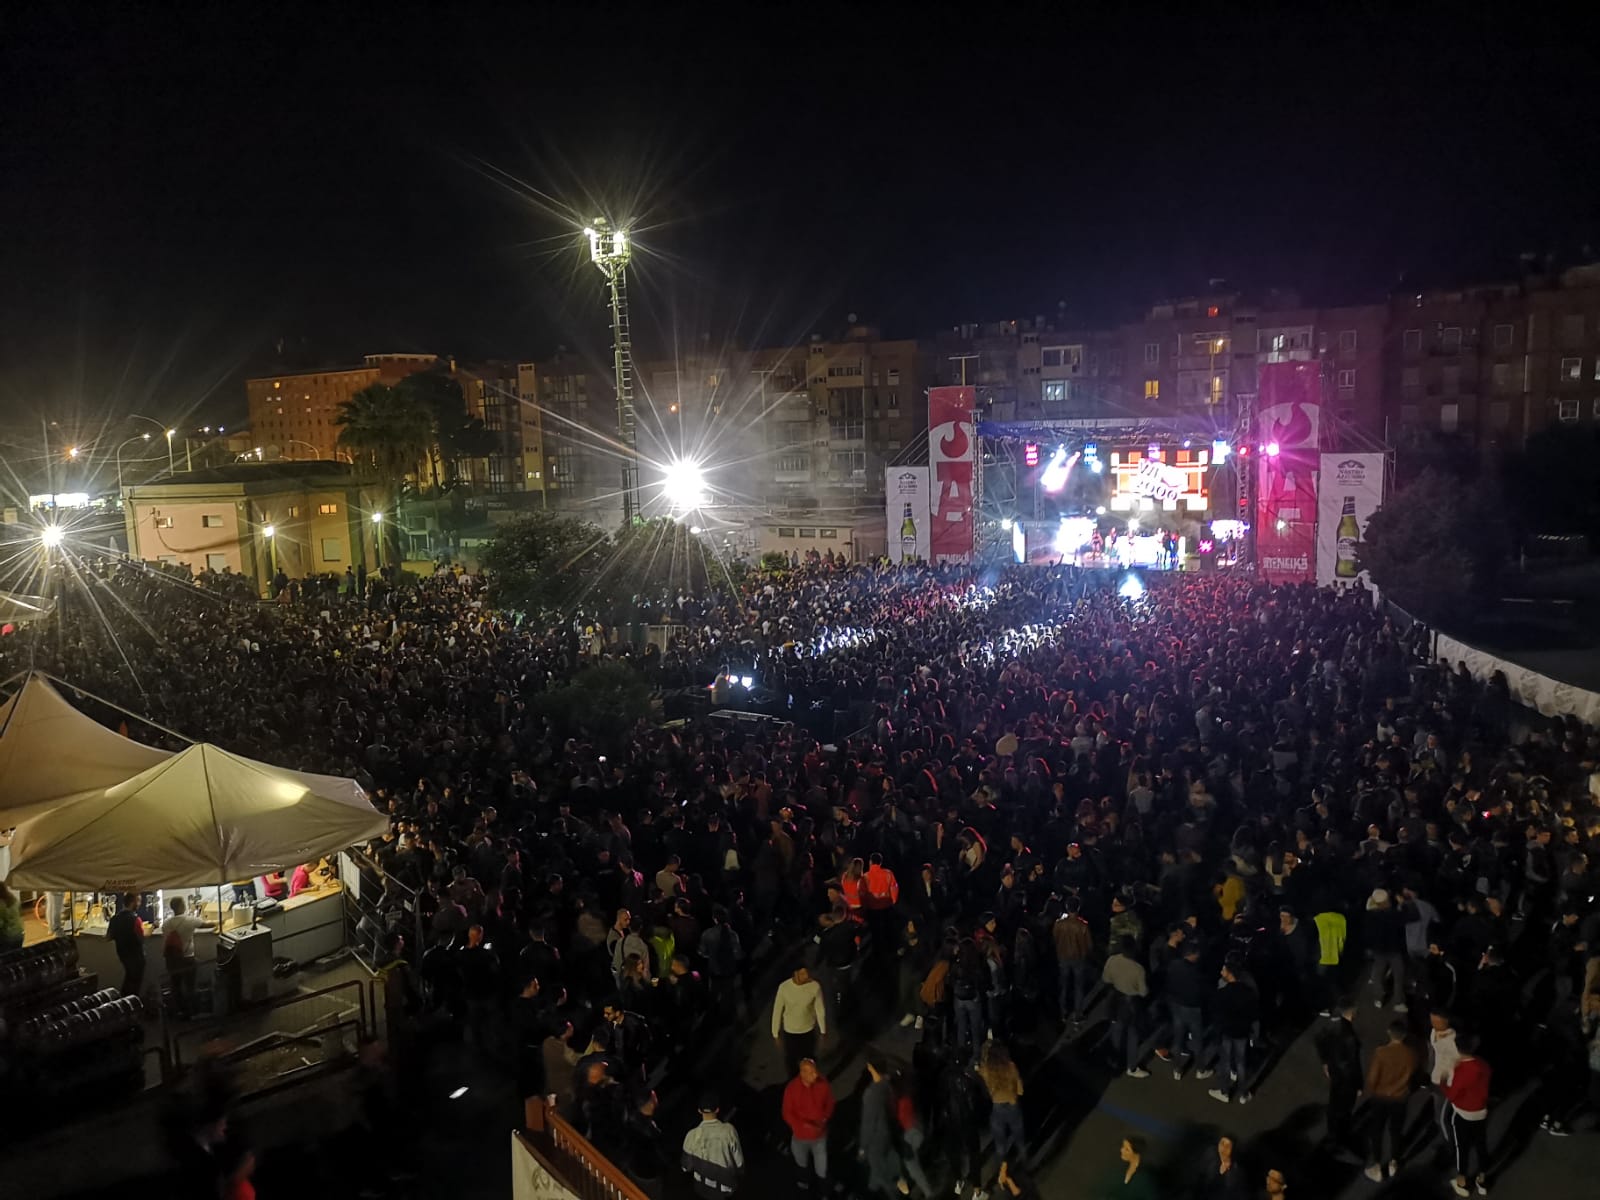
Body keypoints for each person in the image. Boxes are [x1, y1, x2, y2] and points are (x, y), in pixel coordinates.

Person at [1364, 1020, 1419, 1181]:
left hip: (1380, 1097)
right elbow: (1409, 1075)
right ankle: (1394, 1161)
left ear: (1389, 1032)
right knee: (1396, 1130)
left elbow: (1373, 1077)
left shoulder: (1381, 1052)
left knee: (1377, 1130)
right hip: (1400, 1097)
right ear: (1404, 1035)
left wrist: (1373, 1091)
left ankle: (1377, 1165)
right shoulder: (1411, 1054)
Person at [1442, 1033, 1491, 1197]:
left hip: (1463, 1114)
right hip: (1481, 1111)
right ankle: (1482, 1179)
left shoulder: (1462, 1071)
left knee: (1461, 1148)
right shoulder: (1483, 1064)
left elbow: (1452, 1095)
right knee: (1481, 1145)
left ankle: (1461, 1181)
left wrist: (1443, 1081)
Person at [1314, 1000, 1362, 1155]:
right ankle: (1339, 1138)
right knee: (1344, 1109)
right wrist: (1358, 1084)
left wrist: (1325, 1063)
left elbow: (1320, 1041)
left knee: (1334, 1105)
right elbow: (1353, 1063)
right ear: (1351, 1013)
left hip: (1335, 1074)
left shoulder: (1333, 1027)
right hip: (1346, 1079)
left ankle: (1332, 1135)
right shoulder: (1350, 1037)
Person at [781, 1057, 835, 1187]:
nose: (815, 1074)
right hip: (801, 1138)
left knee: (822, 1170)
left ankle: (823, 1192)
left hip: (819, 1137)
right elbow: (787, 1113)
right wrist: (803, 1126)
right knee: (801, 1164)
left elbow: (830, 1102)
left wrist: (825, 1117)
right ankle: (804, 1183)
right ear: (802, 1073)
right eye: (811, 1072)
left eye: (815, 1071)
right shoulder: (792, 1089)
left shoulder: (823, 1083)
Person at [1102, 935, 1150, 1078]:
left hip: (1116, 1001)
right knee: (1133, 1035)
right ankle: (1132, 1067)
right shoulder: (1138, 969)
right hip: (1131, 1004)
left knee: (1116, 1032)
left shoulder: (1112, 960)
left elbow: (1106, 979)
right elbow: (1143, 992)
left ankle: (1114, 1061)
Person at [857, 1055, 905, 1200]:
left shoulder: (871, 1093)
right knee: (885, 1164)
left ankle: (892, 1191)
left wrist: (863, 1148)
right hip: (888, 1131)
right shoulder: (887, 1084)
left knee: (881, 1172)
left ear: (871, 1068)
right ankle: (874, 1187)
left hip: (876, 1139)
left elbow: (868, 1123)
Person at [977, 1042, 1026, 1182]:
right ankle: (1024, 1164)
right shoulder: (1010, 1066)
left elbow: (981, 1077)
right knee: (1019, 1137)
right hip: (1012, 1105)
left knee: (1000, 1144)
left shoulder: (986, 1070)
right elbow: (1020, 1090)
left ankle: (1003, 1170)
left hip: (997, 1107)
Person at [682, 1092, 743, 1200]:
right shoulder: (729, 1131)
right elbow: (740, 1164)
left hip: (701, 1190)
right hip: (725, 1191)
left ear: (699, 1111)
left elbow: (686, 1167)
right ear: (717, 1109)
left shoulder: (691, 1135)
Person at [771, 964, 827, 1079]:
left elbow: (820, 1010)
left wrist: (823, 1032)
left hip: (808, 1031)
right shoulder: (784, 988)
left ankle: (810, 1082)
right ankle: (794, 1082)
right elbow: (777, 1011)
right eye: (802, 973)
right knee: (791, 1061)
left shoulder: (815, 986)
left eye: (807, 972)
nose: (806, 976)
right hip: (790, 1032)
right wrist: (775, 1033)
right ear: (795, 973)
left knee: (809, 1061)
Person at [162, 895, 210, 1018]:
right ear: (181, 906)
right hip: (187, 958)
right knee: (190, 986)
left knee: (175, 985)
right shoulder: (190, 920)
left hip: (171, 959)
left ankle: (179, 1011)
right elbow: (206, 925)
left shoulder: (165, 924)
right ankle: (191, 1012)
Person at [106, 891, 147, 999]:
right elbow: (142, 938)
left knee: (129, 979)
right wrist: (154, 927)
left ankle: (123, 1001)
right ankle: (132, 1003)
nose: (140, 904)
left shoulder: (114, 919)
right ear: (133, 902)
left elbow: (108, 937)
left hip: (123, 954)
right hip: (137, 956)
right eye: (138, 901)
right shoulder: (136, 919)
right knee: (135, 984)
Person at [0, 880, 23, 951]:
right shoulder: (14, 899)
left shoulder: (1, 905)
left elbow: (0, 924)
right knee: (17, 953)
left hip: (8, 937)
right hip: (19, 934)